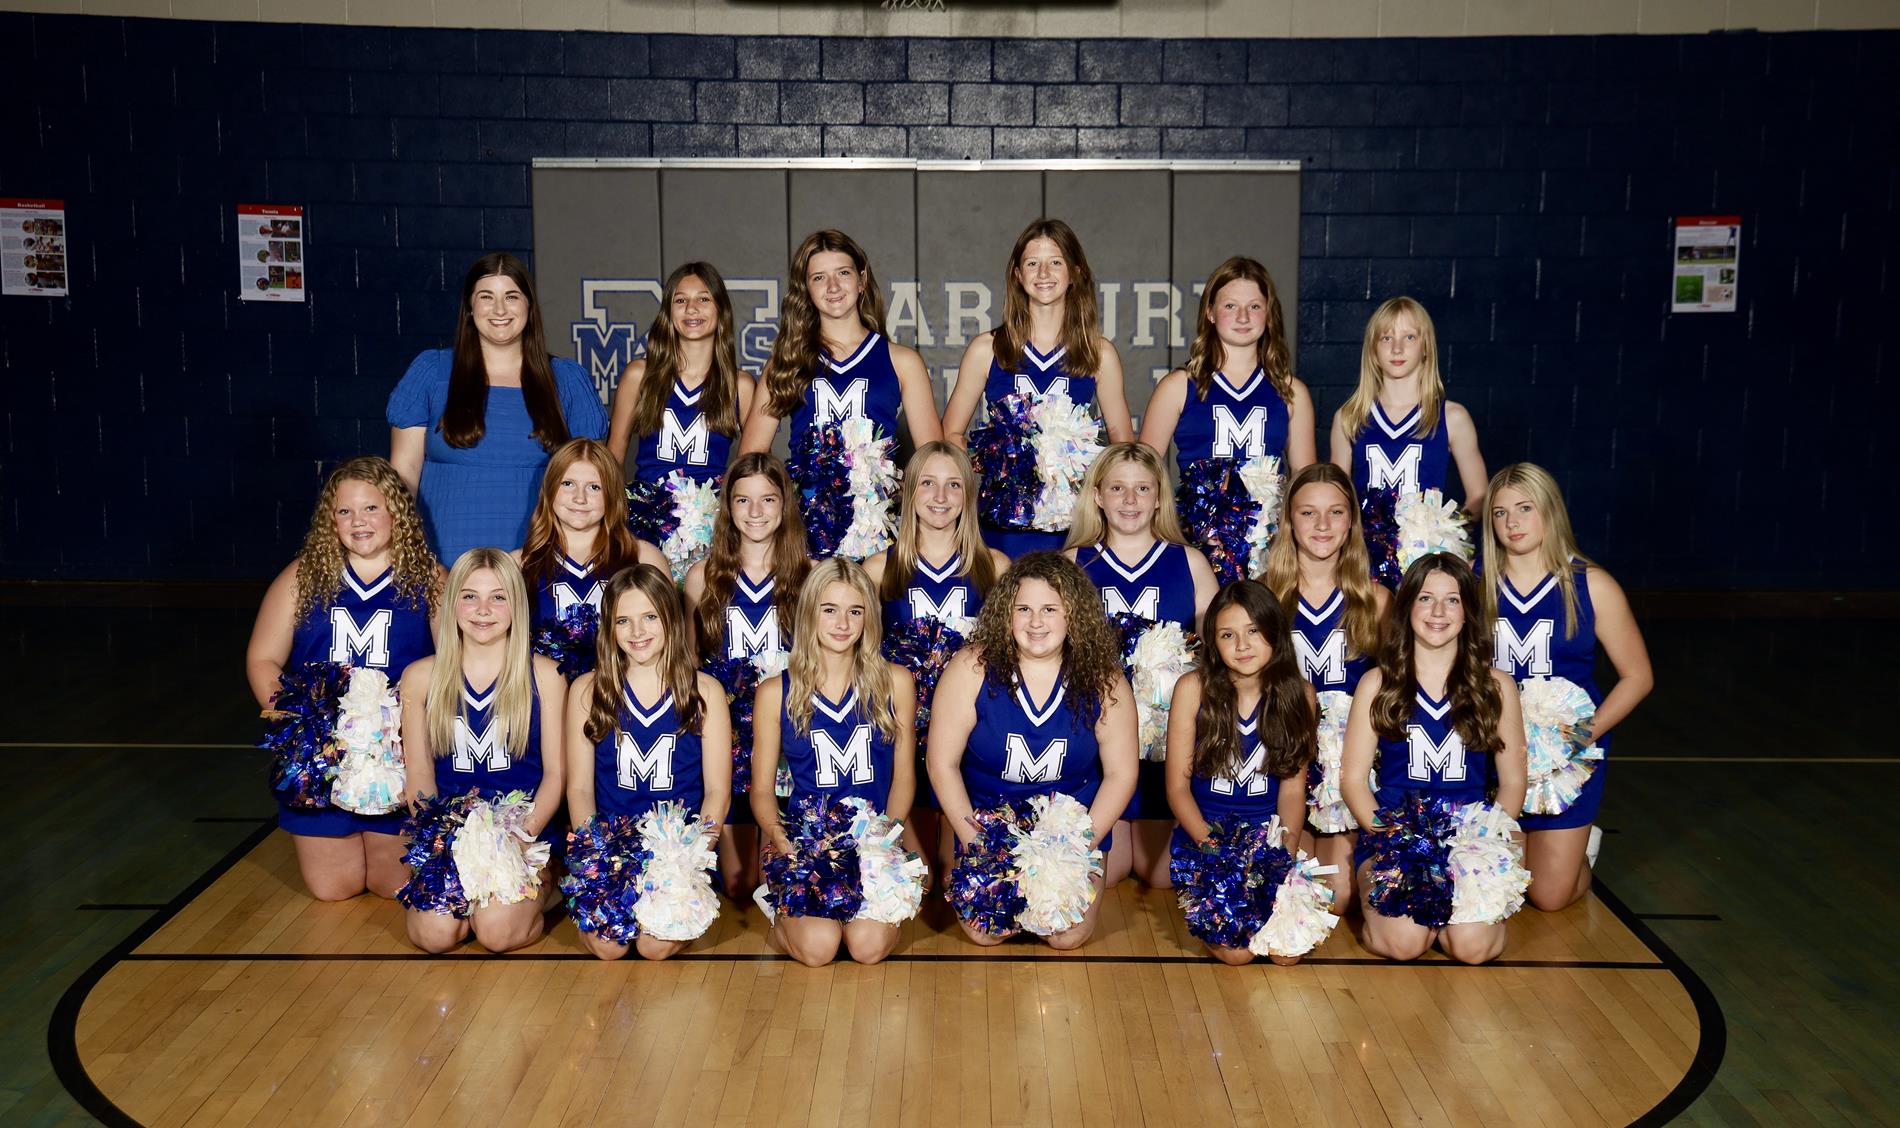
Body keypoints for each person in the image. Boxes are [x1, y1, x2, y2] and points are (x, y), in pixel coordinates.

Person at [246, 456, 440, 901]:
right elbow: (262, 659)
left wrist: (410, 735)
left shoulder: (430, 578)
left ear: (397, 513)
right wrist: (303, 731)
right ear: (330, 520)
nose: (358, 521)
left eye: (371, 508)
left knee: (393, 886)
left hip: (397, 756)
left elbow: (452, 667)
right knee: (333, 888)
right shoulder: (302, 576)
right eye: (345, 511)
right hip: (327, 757)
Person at [927, 552, 1138, 950]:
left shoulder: (1104, 679)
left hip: (1069, 833)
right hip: (990, 826)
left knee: (1065, 936)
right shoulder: (971, 667)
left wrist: (1075, 850)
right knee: (986, 932)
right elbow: (941, 763)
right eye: (1023, 609)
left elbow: (1121, 774)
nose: (1036, 622)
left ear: (1073, 615)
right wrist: (978, 844)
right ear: (1006, 614)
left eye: (1049, 609)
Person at [1341, 553, 1527, 965]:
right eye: (1426, 599)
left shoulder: (1496, 686)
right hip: (1396, 839)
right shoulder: (1378, 682)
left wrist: (1483, 842)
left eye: (1452, 600)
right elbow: (1353, 781)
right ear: (1407, 607)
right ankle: (1413, 919)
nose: (1438, 612)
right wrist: (1395, 841)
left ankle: (1451, 918)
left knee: (1473, 949)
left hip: (1469, 841)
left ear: (1468, 612)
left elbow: (1513, 782)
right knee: (1404, 945)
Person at [1482, 463, 1652, 910]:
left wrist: (1581, 736)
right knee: (1503, 884)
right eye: (1500, 513)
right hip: (1494, 750)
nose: (1512, 522)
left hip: (1566, 752)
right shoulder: (1473, 582)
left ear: (1551, 510)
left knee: (1548, 896)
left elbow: (1638, 676)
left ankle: (1582, 851)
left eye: (1525, 508)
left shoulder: (1592, 584)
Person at [398, 548, 567, 954]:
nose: (483, 610)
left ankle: (551, 884)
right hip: (455, 834)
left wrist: (521, 837)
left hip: (522, 834)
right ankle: (476, 902)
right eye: (470, 596)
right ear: (452, 602)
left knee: (496, 934)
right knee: (433, 936)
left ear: (517, 604)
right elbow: (419, 776)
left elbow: (557, 775)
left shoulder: (545, 674)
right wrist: (439, 842)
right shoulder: (421, 677)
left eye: (498, 597)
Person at [388, 252, 608, 562]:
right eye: (487, 297)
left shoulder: (568, 380)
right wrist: (411, 558)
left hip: (538, 561)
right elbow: (404, 477)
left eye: (512, 296)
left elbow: (596, 484)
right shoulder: (431, 373)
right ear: (469, 307)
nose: (500, 309)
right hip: (443, 562)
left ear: (529, 306)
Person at [751, 559, 918, 966]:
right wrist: (780, 838)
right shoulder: (775, 692)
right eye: (830, 610)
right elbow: (761, 790)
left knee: (867, 948)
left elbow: (904, 777)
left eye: (855, 611)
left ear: (869, 618)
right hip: (806, 846)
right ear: (810, 613)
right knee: (819, 948)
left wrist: (888, 837)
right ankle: (778, 905)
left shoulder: (895, 682)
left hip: (873, 842)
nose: (842, 623)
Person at [1065, 442, 1217, 887]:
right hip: (1097, 744)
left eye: (1142, 488)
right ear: (1097, 495)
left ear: (1159, 497)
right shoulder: (1073, 562)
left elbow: (1216, 657)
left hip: (1167, 747)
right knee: (1107, 873)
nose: (1130, 500)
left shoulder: (1190, 562)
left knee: (1162, 876)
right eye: (1117, 488)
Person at [739, 230, 941, 559]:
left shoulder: (902, 361)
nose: (833, 287)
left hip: (878, 534)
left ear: (862, 280)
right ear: (806, 289)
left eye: (843, 273)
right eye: (819, 277)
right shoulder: (787, 361)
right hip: (805, 537)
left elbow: (934, 461)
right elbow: (750, 459)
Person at [565, 564, 732, 960]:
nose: (637, 632)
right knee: (609, 948)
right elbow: (580, 788)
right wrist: (596, 857)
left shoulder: (704, 691)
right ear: (609, 627)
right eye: (623, 620)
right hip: (614, 850)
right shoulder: (588, 690)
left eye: (650, 617)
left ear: (671, 618)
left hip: (678, 852)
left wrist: (689, 859)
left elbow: (717, 792)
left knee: (654, 948)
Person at [942, 218, 1133, 556]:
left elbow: (1122, 442)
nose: (1043, 273)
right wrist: (994, 462)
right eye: (1032, 263)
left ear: (1074, 272)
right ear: (1017, 274)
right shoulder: (988, 348)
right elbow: (951, 433)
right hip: (1001, 528)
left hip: (1073, 526)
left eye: (1055, 262)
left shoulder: (1098, 353)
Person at [861, 441, 1008, 878]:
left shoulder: (994, 567)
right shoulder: (877, 568)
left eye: (953, 485)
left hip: (969, 731)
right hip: (901, 727)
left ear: (968, 495)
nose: (940, 497)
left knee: (952, 875)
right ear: (908, 491)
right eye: (928, 483)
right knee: (918, 881)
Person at [1165, 581, 1318, 965]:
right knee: (1237, 954)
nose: (1242, 645)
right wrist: (1212, 848)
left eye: (1253, 631)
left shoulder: (1301, 694)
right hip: (1206, 839)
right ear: (1213, 642)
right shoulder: (1192, 688)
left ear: (1274, 632)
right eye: (1227, 635)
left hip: (1268, 839)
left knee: (1286, 953)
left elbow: (1292, 792)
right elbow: (1177, 789)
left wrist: (1282, 853)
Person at [1139, 256, 1316, 585]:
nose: (1243, 317)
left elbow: (1307, 489)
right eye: (1230, 306)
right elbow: (1141, 474)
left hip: (1268, 550)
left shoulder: (1292, 392)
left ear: (1269, 313)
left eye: (1254, 306)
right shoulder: (1179, 386)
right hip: (1198, 544)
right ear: (1210, 312)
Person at [1262, 462, 1390, 906]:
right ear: (1288, 520)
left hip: (1345, 768)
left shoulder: (1376, 600)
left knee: (1335, 897)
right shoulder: (1264, 595)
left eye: (1335, 512)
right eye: (1307, 512)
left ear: (1351, 521)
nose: (1322, 525)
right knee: (1288, 887)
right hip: (1280, 761)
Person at [685, 452, 811, 898]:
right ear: (728, 507)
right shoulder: (702, 576)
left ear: (785, 505)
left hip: (789, 731)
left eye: (768, 499)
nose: (755, 512)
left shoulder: (810, 575)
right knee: (739, 884)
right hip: (730, 734)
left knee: (774, 879)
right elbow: (690, 664)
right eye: (743, 500)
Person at [609, 263, 753, 578]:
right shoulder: (640, 375)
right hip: (647, 526)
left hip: (710, 530)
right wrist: (617, 522)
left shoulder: (738, 385)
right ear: (668, 311)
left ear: (720, 310)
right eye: (680, 300)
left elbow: (752, 469)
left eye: (703, 299)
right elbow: (613, 458)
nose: (691, 308)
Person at [516, 439, 664, 678]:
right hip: (543, 694)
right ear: (549, 488)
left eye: (594, 487)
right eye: (568, 484)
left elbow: (669, 645)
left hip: (619, 693)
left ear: (612, 494)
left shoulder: (643, 557)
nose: (580, 498)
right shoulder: (519, 563)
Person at [1328, 296, 1487, 514]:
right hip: (1365, 537)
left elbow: (1479, 495)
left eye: (1409, 337)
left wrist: (1449, 532)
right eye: (1386, 338)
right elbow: (1335, 498)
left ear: (1426, 347)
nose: (1397, 348)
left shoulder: (1452, 417)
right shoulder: (1349, 417)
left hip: (1427, 537)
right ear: (1373, 350)